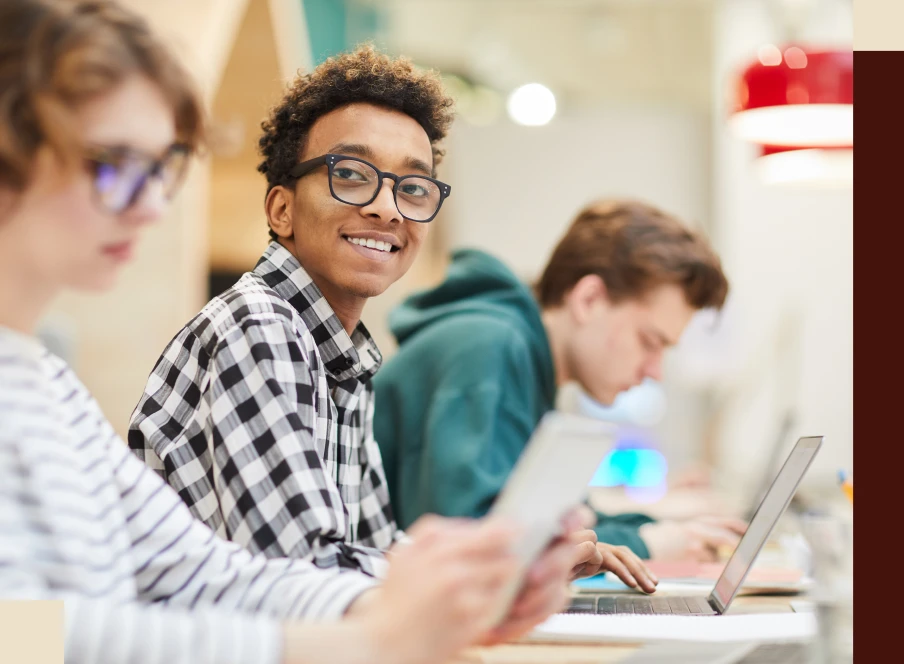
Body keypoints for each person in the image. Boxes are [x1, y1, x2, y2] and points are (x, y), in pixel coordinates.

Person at [0, 2, 582, 662]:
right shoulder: (256, 327)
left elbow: (206, 572)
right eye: (114, 165)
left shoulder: (49, 385)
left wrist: (441, 598)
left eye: (161, 170)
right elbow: (17, 634)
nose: (155, 205)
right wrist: (370, 635)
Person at [127, 44, 656, 591]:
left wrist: (519, 564)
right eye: (352, 175)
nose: (387, 208)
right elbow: (306, 573)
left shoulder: (344, 358)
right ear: (280, 209)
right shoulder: (260, 328)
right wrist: (488, 570)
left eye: (413, 187)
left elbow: (376, 549)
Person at [373, 200, 748, 562]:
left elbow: (552, 523)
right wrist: (650, 542)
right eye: (650, 342)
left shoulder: (523, 357)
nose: (655, 371)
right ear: (589, 300)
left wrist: (663, 528)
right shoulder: (490, 346)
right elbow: (477, 546)